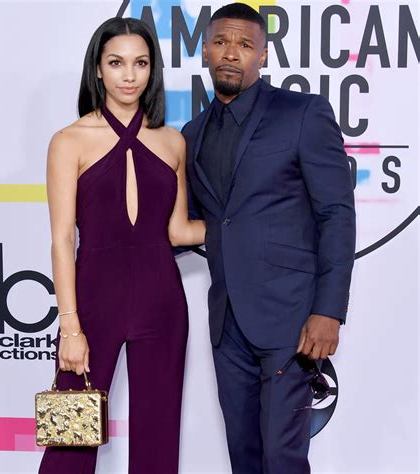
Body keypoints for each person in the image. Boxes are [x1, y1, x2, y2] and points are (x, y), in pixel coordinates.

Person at [181, 4, 356, 473]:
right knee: (245, 453)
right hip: (227, 321)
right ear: (204, 50)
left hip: (292, 318)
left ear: (263, 54)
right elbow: (196, 223)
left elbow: (336, 213)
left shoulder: (302, 113)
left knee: (283, 456)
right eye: (221, 42)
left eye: (244, 44)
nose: (231, 54)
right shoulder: (193, 133)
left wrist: (328, 311)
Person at [38, 17, 205, 474]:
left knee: (158, 437)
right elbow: (60, 237)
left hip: (163, 304)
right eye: (116, 63)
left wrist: (251, 224)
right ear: (98, 69)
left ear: (152, 70)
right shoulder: (69, 141)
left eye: (140, 63)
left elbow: (178, 232)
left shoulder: (172, 142)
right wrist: (69, 327)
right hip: (92, 304)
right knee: (70, 438)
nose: (129, 75)